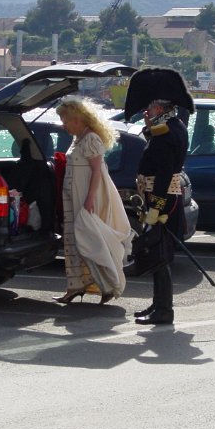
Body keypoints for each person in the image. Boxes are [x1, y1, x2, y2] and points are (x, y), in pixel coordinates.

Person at [52, 96, 132, 305]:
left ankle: (108, 284)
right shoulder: (78, 138)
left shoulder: (91, 139)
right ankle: (76, 285)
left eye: (65, 120)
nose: (63, 125)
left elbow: (97, 172)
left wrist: (89, 199)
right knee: (74, 239)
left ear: (77, 119)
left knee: (90, 239)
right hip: (73, 196)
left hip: (85, 197)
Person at [133, 93, 190, 326]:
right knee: (158, 253)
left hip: (163, 198)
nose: (148, 111)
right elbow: (155, 152)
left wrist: (156, 206)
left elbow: (164, 172)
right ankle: (158, 303)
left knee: (160, 254)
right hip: (164, 195)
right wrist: (149, 129)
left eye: (151, 107)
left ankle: (164, 309)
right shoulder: (172, 127)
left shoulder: (166, 132)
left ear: (159, 108)